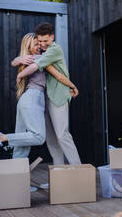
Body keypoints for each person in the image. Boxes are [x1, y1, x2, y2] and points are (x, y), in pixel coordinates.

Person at [0, 33, 78, 158]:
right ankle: (1, 137)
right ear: (29, 46)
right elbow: (59, 76)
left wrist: (17, 60)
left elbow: (15, 62)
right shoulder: (38, 58)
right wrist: (73, 86)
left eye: (39, 44)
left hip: (26, 100)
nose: (39, 46)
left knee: (21, 147)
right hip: (33, 98)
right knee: (38, 137)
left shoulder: (28, 58)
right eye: (36, 44)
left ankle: (17, 172)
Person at [17, 22, 81, 166]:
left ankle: (78, 168)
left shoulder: (54, 49)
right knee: (51, 139)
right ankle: (58, 172)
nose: (42, 44)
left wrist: (20, 76)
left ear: (52, 37)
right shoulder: (41, 52)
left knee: (61, 134)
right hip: (44, 99)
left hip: (57, 97)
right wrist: (18, 60)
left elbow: (50, 72)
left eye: (45, 41)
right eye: (40, 41)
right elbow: (19, 61)